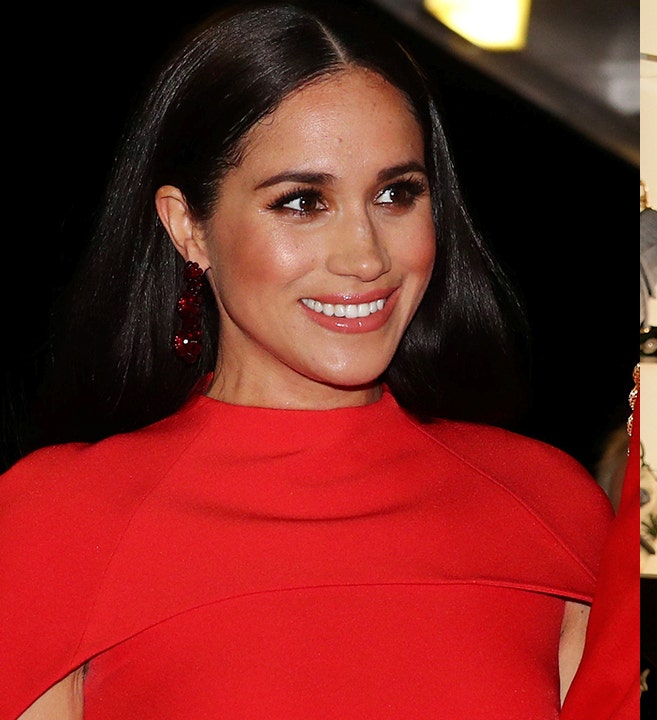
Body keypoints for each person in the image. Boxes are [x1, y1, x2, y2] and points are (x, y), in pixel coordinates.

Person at [0, 1, 614, 717]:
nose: (365, 256)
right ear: (188, 226)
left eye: (395, 194)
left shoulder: (549, 507)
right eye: (301, 202)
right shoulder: (58, 520)